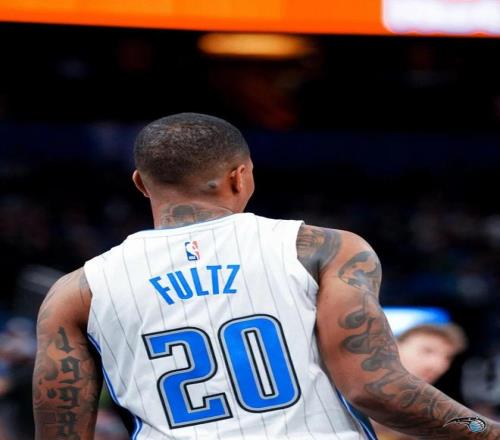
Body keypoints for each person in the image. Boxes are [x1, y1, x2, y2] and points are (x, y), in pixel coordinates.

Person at [33, 112, 500, 439]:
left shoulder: (76, 291)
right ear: (241, 176)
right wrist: (484, 429)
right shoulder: (323, 249)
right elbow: (375, 388)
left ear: (140, 183)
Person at [373, 311, 468, 439]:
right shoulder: (355, 389)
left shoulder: (427, 408)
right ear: (394, 346)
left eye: (447, 357)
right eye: (427, 351)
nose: (438, 365)